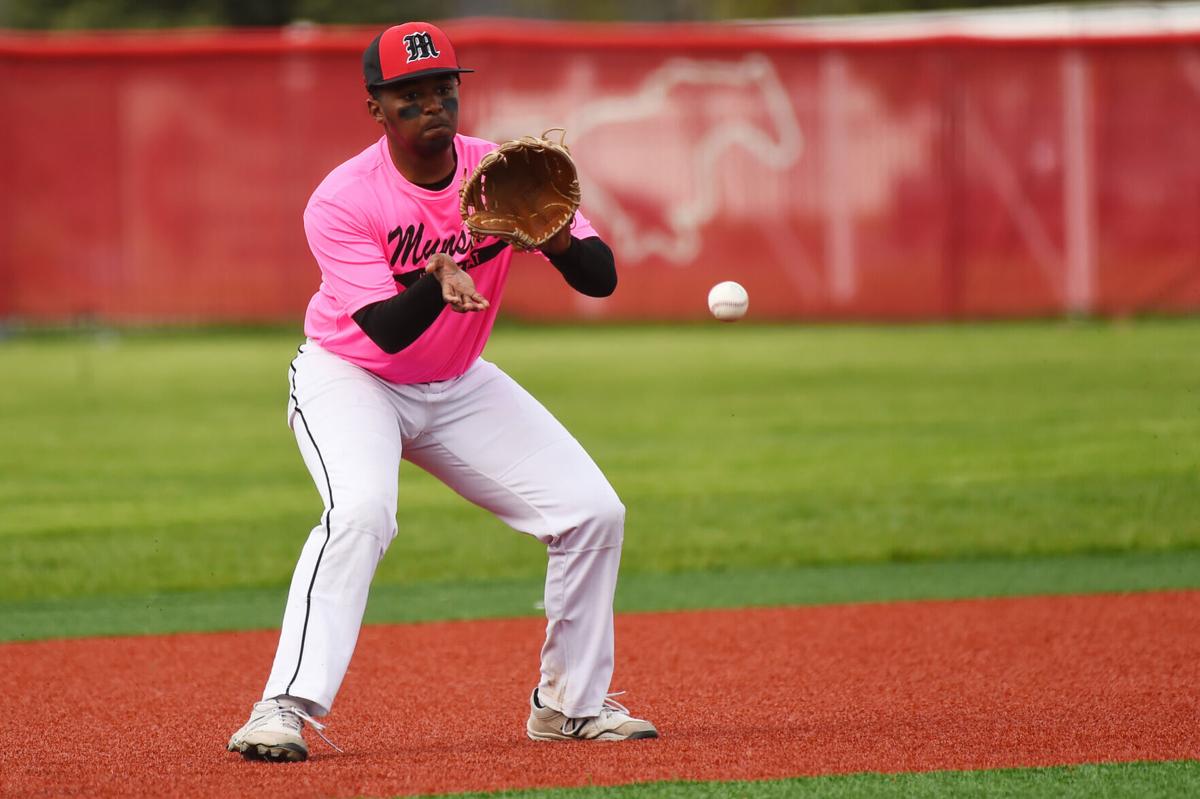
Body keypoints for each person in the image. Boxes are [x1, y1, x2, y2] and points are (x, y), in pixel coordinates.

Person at [226, 21, 658, 763]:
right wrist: (436, 280)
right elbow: (387, 332)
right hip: (352, 375)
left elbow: (601, 278)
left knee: (592, 511)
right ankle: (282, 707)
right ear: (377, 109)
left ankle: (571, 705)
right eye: (410, 95)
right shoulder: (343, 199)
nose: (432, 106)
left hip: (456, 383)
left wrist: (556, 238)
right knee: (361, 511)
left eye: (444, 90)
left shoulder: (499, 172)